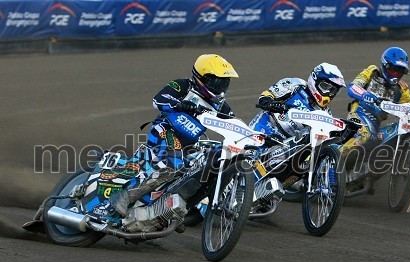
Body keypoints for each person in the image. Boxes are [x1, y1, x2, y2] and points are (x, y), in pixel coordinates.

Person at [109, 54, 239, 220]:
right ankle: (124, 197)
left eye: (225, 82)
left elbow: (234, 124)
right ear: (202, 77)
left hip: (191, 144)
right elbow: (158, 100)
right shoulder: (183, 85)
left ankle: (178, 210)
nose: (221, 86)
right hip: (166, 130)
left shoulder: (221, 106)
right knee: (173, 165)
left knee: (208, 166)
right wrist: (179, 104)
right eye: (217, 81)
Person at [341, 46, 410, 153]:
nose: (396, 75)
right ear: (385, 65)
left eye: (400, 72)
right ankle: (339, 154)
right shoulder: (372, 72)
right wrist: (364, 95)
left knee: (390, 137)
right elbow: (352, 87)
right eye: (394, 70)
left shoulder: (401, 89)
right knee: (366, 136)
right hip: (358, 114)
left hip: (376, 123)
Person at [249, 62, 346, 141]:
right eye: (326, 87)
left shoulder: (325, 113)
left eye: (333, 91)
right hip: (265, 127)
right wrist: (270, 103)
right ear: (315, 79)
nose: (329, 93)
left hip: (287, 145)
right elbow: (265, 96)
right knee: (248, 157)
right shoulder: (295, 84)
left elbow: (326, 137)